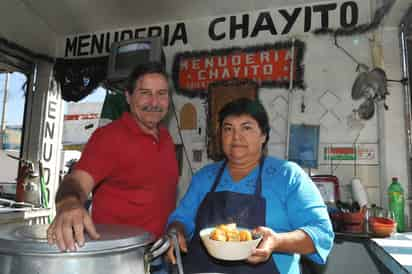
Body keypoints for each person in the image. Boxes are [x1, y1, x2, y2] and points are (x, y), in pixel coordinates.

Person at [166, 98, 334, 274]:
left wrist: (277, 241)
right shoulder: (204, 177)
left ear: (263, 135)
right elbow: (181, 219)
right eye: (228, 128)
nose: (236, 137)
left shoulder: (287, 176)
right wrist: (175, 231)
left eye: (246, 128)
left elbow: (321, 233)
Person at [47, 62, 179, 253]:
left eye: (161, 94)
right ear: (128, 96)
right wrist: (69, 204)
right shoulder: (108, 138)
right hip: (119, 258)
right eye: (145, 93)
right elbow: (76, 181)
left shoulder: (166, 138)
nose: (154, 102)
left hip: (160, 254)